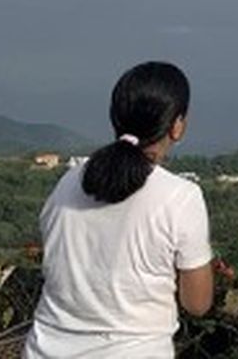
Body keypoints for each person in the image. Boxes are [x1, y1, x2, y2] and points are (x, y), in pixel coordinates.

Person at [25, 62, 213, 358]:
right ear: (178, 126)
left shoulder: (68, 182)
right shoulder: (181, 197)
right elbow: (197, 303)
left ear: (115, 118)